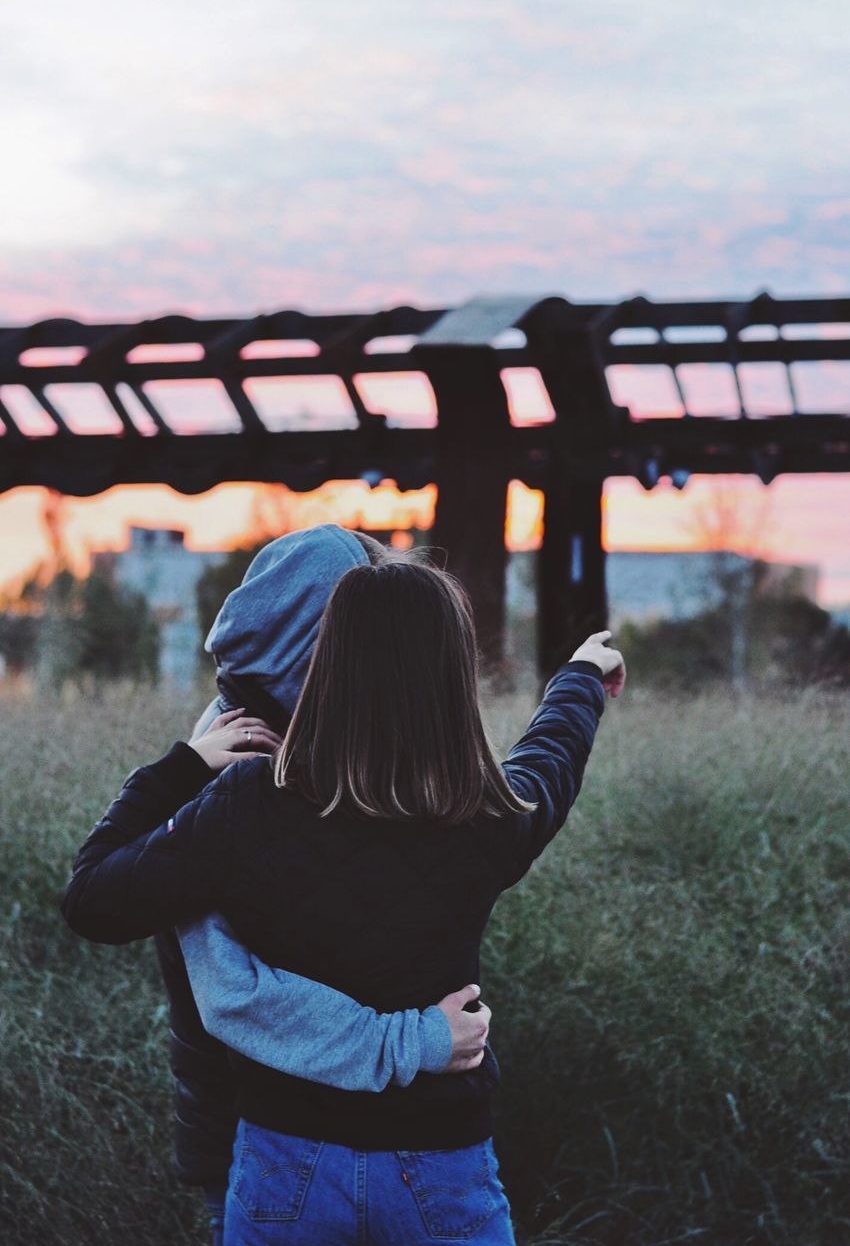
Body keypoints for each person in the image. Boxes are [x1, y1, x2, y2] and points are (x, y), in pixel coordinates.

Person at [63, 552, 625, 1244]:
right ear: (451, 677)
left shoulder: (245, 801)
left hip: (285, 1159)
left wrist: (184, 765)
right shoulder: (489, 814)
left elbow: (91, 898)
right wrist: (581, 678)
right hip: (442, 1159)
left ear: (327, 663)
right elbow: (551, 759)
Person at [150, 525, 493, 1242]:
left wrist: (578, 688)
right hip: (258, 1138)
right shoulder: (238, 770)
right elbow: (231, 995)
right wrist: (419, 1041)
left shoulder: (316, 753)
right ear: (322, 640)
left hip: (324, 1139)